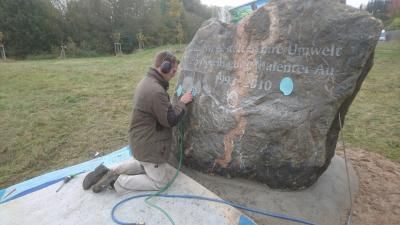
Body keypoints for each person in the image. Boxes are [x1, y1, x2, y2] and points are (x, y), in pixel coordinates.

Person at [82, 51, 193, 194]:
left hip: (140, 142)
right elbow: (170, 121)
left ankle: (109, 171)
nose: (174, 74)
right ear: (164, 67)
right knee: (160, 183)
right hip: (149, 147)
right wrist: (182, 103)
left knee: (143, 166)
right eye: (173, 71)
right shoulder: (156, 91)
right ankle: (118, 182)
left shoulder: (147, 81)